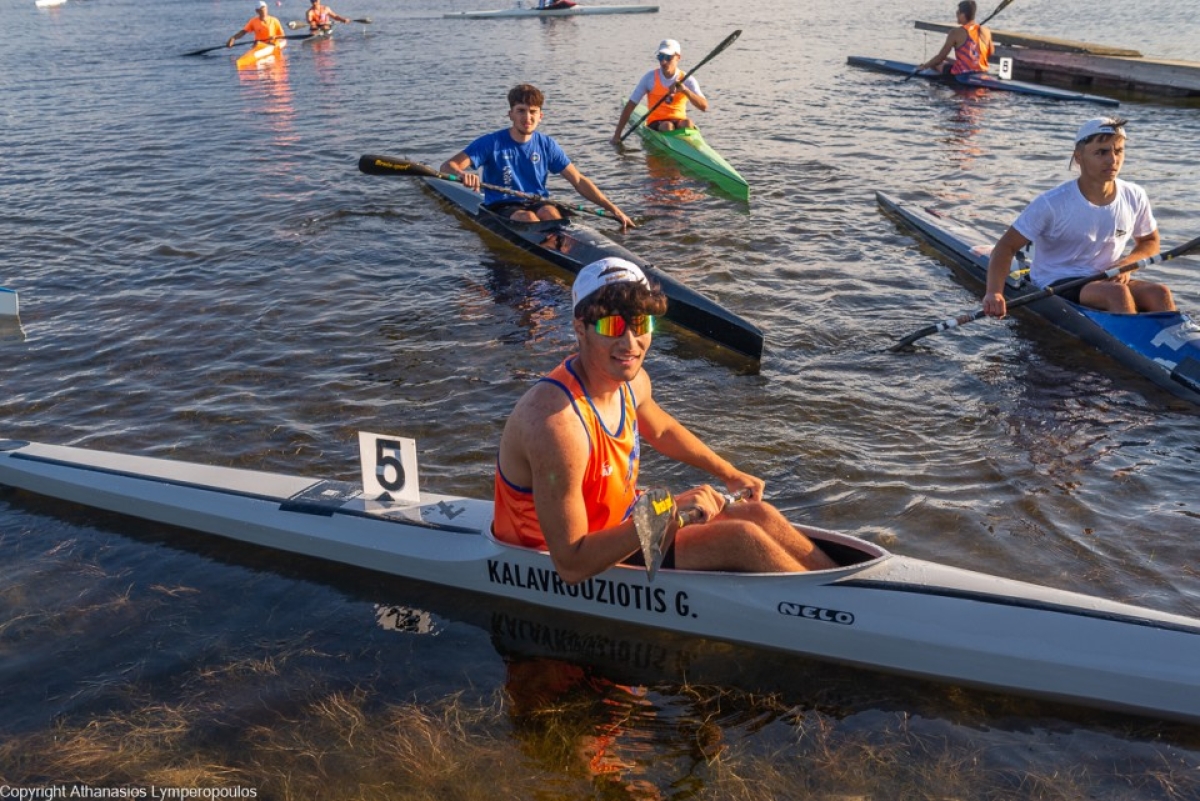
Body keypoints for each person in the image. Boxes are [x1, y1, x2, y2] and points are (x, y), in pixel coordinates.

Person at [492, 257, 837, 584]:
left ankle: (840, 594)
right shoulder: (557, 423)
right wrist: (663, 511)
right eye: (613, 326)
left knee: (761, 516)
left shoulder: (630, 381)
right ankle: (831, 619)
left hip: (621, 522)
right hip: (558, 555)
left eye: (641, 324)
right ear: (580, 329)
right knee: (740, 539)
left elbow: (662, 429)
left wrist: (728, 473)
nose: (630, 343)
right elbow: (570, 565)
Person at [983, 117, 1171, 318]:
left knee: (1159, 292)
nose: (1113, 160)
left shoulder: (1135, 195)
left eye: (1118, 151)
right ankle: (1131, 343)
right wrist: (994, 292)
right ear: (1079, 156)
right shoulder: (1052, 203)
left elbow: (1150, 241)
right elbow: (1005, 247)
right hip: (1056, 279)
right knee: (1117, 294)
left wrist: (1128, 263)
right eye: (1101, 152)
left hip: (1106, 277)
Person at [441, 84, 635, 232]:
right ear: (510, 114)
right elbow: (447, 166)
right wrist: (462, 174)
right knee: (529, 219)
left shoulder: (547, 144)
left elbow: (578, 180)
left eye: (533, 112)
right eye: (521, 111)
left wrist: (613, 209)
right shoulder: (491, 143)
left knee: (550, 213)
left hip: (536, 201)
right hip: (502, 204)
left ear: (540, 115)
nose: (527, 118)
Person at [612, 38, 708, 142]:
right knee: (667, 126)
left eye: (668, 57)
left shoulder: (688, 80)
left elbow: (704, 107)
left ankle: (688, 146)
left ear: (678, 57)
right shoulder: (649, 78)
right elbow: (630, 107)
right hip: (656, 122)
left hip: (679, 121)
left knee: (688, 123)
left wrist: (685, 90)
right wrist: (617, 135)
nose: (663, 61)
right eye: (661, 56)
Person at [915, 0, 994, 76]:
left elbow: (940, 57)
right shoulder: (986, 31)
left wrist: (924, 66)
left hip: (962, 74)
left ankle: (936, 87)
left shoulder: (955, 32)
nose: (956, 15)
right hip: (983, 71)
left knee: (936, 64)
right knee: (946, 59)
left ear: (963, 15)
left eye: (957, 13)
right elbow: (991, 52)